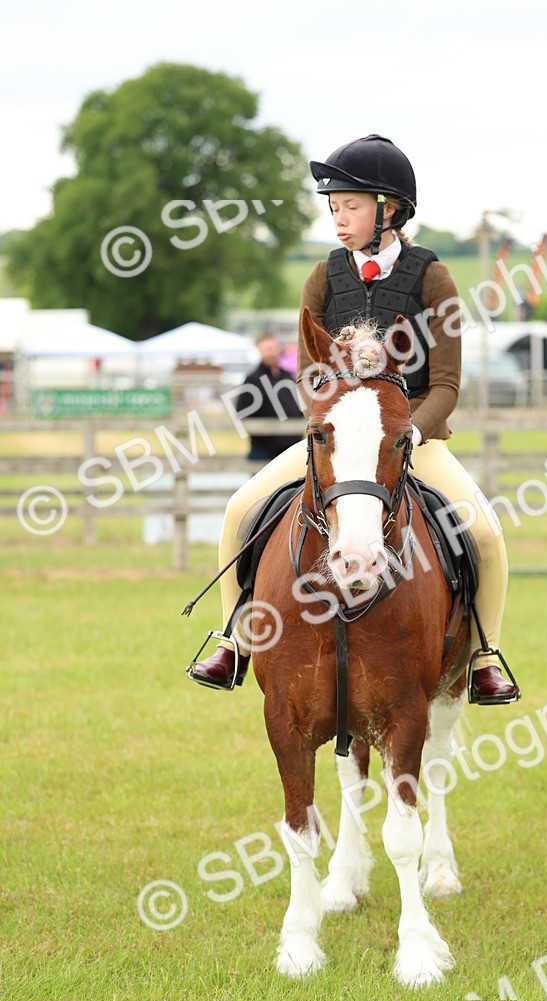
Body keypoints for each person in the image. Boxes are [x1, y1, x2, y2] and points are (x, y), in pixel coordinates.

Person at [189, 133, 519, 703]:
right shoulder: (322, 278)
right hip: (338, 443)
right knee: (239, 509)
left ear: (388, 211)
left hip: (413, 441)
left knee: (485, 535)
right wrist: (329, 424)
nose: (339, 219)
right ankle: (233, 640)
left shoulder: (430, 278)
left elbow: (445, 384)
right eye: (334, 207)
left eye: (351, 207)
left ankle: (484, 656)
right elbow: (308, 375)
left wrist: (408, 432)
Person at [235, 331, 304, 463]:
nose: (271, 353)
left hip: (291, 449)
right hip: (264, 451)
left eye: (273, 348)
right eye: (267, 349)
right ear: (259, 351)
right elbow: (242, 413)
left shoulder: (288, 376)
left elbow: (299, 405)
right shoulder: (252, 380)